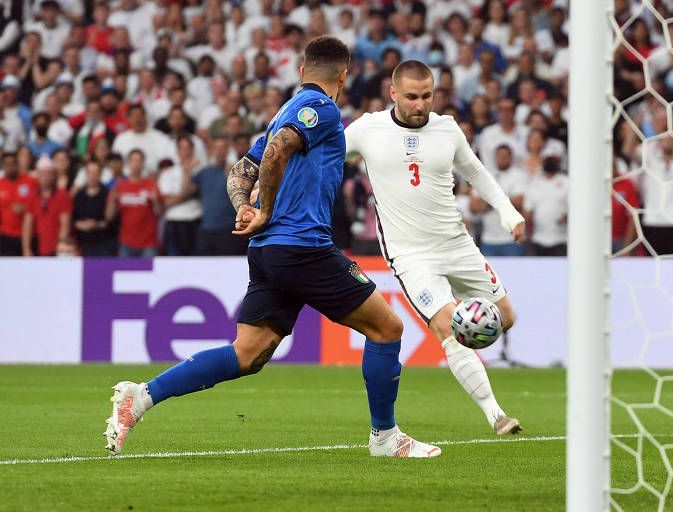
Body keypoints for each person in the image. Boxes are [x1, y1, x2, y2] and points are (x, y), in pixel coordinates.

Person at [103, 37, 440, 459]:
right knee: (388, 328)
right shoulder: (322, 108)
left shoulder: (287, 108)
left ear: (302, 72)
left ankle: (142, 396)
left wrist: (245, 206)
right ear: (344, 76)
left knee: (249, 354)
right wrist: (262, 212)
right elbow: (279, 149)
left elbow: (242, 168)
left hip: (270, 252)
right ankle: (386, 439)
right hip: (302, 246)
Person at [344, 60, 526, 436]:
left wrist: (508, 212)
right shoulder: (367, 129)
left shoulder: (447, 129)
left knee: (504, 318)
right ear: (392, 93)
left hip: (457, 244)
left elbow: (475, 172)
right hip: (411, 256)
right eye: (411, 97)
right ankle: (496, 415)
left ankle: (466, 351)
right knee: (450, 327)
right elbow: (326, 157)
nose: (420, 104)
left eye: (427, 96)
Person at [105, 149, 162, 258]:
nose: (136, 164)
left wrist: (155, 201)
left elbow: (159, 213)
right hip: (126, 243)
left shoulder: (151, 185)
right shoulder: (119, 187)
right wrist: (112, 200)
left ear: (143, 164)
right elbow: (109, 217)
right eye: (133, 161)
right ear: (128, 164)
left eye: (139, 161)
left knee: (148, 275)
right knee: (125, 275)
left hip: (149, 243)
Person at [0, 151, 37, 256]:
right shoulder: (0, 184)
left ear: (18, 164)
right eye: (7, 164)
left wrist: (26, 208)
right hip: (6, 235)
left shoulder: (31, 182)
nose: (10, 167)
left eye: (13, 163)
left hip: (29, 235)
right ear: (3, 166)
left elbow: (40, 205)